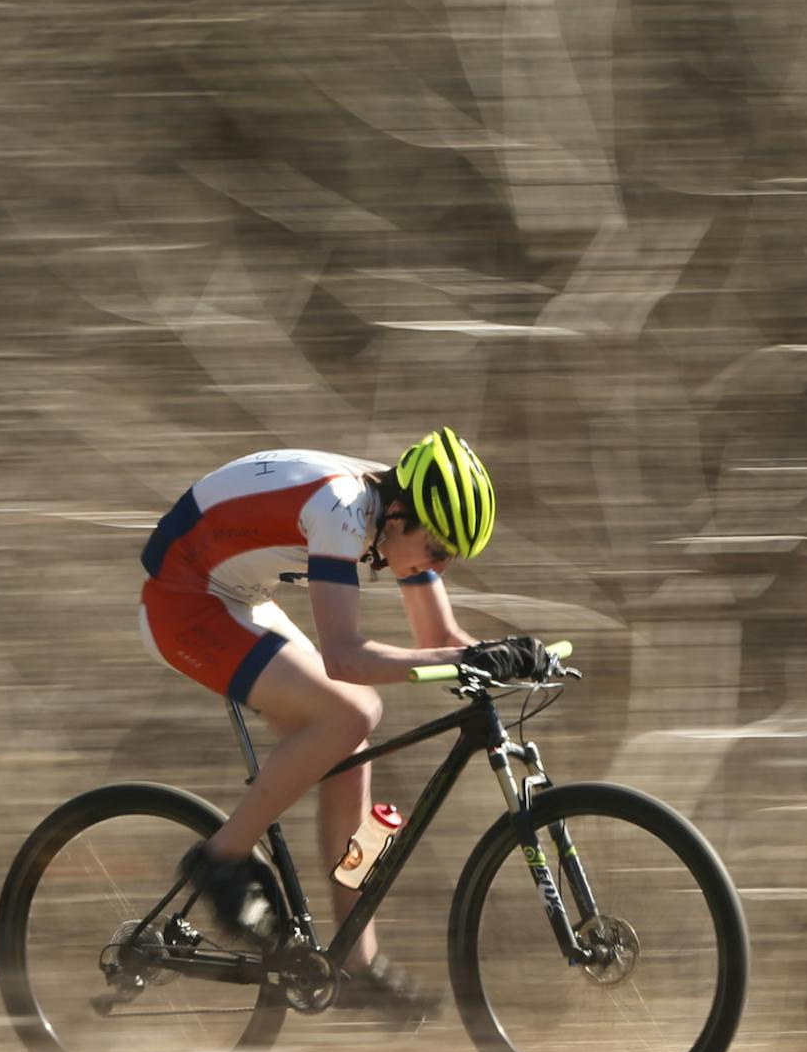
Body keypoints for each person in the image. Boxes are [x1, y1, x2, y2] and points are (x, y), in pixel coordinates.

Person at [135, 428, 552, 1021]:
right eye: (437, 549)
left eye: (449, 556)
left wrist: (516, 654)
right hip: (184, 600)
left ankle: (357, 962)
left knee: (352, 741)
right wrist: (462, 659)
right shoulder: (342, 508)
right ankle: (219, 858)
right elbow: (346, 658)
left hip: (235, 595)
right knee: (354, 708)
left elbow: (440, 641)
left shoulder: (394, 515)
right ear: (404, 515)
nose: (439, 565)